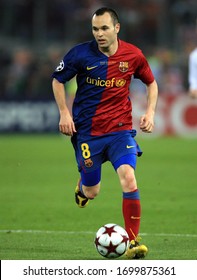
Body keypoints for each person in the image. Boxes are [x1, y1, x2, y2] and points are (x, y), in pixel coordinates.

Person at [52, 7, 158, 259]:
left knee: (128, 178)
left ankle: (133, 242)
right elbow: (57, 80)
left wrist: (150, 112)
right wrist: (64, 113)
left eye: (104, 28)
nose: (99, 34)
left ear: (116, 28)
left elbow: (151, 82)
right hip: (88, 134)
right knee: (93, 191)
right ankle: (82, 188)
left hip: (120, 131)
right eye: (95, 29)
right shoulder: (79, 54)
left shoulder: (133, 55)